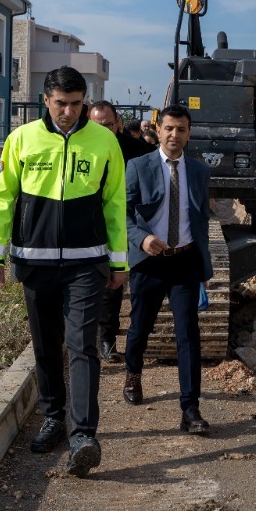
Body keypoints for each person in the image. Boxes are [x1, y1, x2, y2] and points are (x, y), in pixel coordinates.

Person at [0, 67, 128, 476]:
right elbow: (2, 198)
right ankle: (53, 418)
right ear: (46, 99)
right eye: (61, 103)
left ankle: (83, 434)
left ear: (85, 102)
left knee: (82, 345)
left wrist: (119, 263)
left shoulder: (105, 142)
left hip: (87, 263)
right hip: (35, 260)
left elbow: (115, 205)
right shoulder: (22, 139)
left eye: (76, 104)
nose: (68, 111)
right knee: (46, 346)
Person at [122, 104, 213, 433]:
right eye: (169, 128)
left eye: (182, 130)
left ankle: (190, 408)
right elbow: (124, 214)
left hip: (185, 261)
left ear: (189, 134)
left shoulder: (200, 172)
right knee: (139, 327)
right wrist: (142, 239)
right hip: (149, 262)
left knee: (188, 334)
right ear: (158, 130)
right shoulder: (138, 167)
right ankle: (133, 373)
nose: (175, 135)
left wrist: (203, 264)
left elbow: (200, 220)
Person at [87, 101, 152, 365]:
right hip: (100, 225)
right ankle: (107, 339)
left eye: (108, 125)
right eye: (96, 125)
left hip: (134, 224)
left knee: (140, 284)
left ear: (118, 124)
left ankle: (140, 338)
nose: (103, 130)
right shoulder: (83, 149)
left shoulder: (138, 150)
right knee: (110, 286)